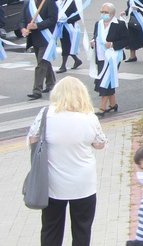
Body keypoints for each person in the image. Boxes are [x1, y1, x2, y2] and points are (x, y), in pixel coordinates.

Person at [27, 76, 107, 245]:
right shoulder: (89, 117)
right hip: (83, 184)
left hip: (52, 184)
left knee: (50, 229)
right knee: (82, 230)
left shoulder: (46, 114)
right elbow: (100, 144)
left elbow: (33, 139)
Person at [21, 0, 58, 100]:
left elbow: (53, 19)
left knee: (41, 64)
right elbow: (22, 19)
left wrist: (37, 26)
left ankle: (37, 90)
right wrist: (23, 29)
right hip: (34, 39)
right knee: (44, 61)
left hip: (46, 38)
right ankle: (51, 83)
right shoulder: (28, 2)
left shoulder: (48, 1)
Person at [54, 0, 83, 73]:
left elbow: (78, 15)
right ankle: (77, 60)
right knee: (67, 45)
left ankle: (63, 66)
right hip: (60, 27)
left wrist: (67, 20)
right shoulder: (57, 3)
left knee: (66, 45)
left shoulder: (71, 3)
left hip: (69, 27)